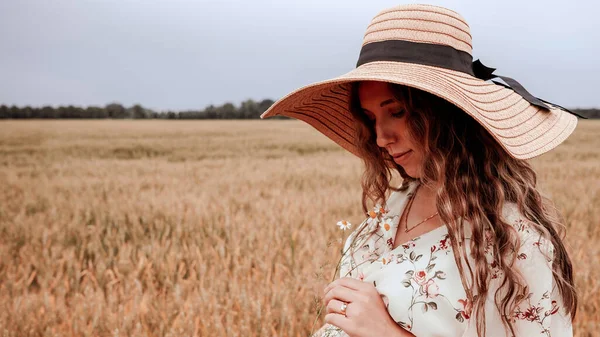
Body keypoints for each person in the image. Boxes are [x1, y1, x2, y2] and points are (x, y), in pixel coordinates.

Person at [261, 4, 579, 337]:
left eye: (396, 112)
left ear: (446, 113)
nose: (381, 138)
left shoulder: (513, 238)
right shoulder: (397, 204)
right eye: (370, 119)